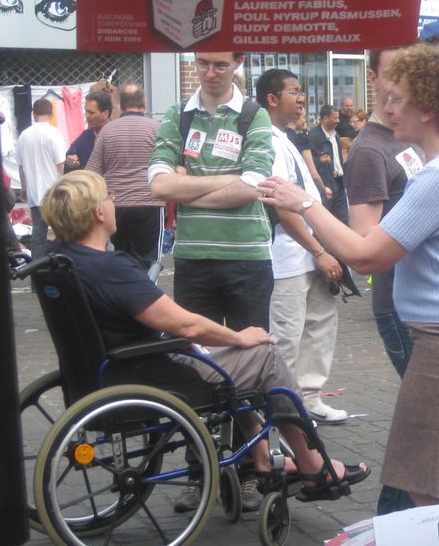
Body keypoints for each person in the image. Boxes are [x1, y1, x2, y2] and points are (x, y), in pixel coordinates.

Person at [259, 43, 439, 511]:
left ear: (427, 107)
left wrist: (302, 202)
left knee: (422, 475)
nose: (386, 108)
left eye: (397, 98)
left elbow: (365, 255)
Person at [39, 170, 368, 501]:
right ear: (99, 213)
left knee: (223, 359)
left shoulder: (61, 263)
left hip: (105, 372)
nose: (114, 202)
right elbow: (186, 325)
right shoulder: (112, 268)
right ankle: (314, 466)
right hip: (151, 376)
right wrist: (238, 337)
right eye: (109, 197)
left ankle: (263, 456)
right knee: (263, 355)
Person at [148, 51, 275, 512]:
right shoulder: (177, 115)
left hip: (247, 260)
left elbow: (253, 186)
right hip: (194, 259)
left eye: (220, 64)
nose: (210, 73)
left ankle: (250, 471)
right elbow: (158, 186)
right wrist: (226, 181)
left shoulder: (253, 116)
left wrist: (191, 185)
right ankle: (199, 469)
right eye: (203, 63)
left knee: (251, 361)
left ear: (238, 63)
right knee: (193, 364)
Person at [345, 44, 424, 515]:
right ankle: (392, 519)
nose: (401, 83)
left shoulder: (414, 135)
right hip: (398, 303)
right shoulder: (370, 149)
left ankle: (399, 520)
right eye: (393, 73)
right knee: (426, 415)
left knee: (428, 416)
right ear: (373, 77)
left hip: (431, 298)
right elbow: (365, 242)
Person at [256, 69, 347, 425]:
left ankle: (309, 397)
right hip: (288, 259)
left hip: (309, 254)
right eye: (294, 91)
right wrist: (319, 251)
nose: (302, 99)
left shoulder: (287, 137)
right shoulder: (267, 140)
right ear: (272, 99)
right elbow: (281, 206)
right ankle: (284, 408)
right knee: (287, 336)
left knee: (320, 325)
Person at [86, 84, 163, 270]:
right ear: (144, 103)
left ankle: (125, 296)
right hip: (148, 203)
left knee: (121, 258)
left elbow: (92, 172)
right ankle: (146, 296)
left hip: (116, 206)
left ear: (120, 105)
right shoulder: (157, 129)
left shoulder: (107, 131)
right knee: (148, 262)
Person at [16, 97, 66, 259]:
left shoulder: (24, 135)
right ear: (51, 114)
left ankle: (37, 276)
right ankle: (61, 269)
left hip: (34, 193)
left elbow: (21, 167)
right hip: (54, 192)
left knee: (38, 234)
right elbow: (60, 164)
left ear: (33, 114)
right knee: (62, 232)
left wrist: (24, 187)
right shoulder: (54, 133)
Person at [309, 105, 349, 224]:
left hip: (339, 182)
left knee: (343, 219)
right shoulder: (314, 137)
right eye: (335, 118)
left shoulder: (335, 135)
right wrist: (319, 161)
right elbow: (308, 162)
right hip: (325, 183)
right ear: (326, 118)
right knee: (325, 220)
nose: (338, 121)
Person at [65, 91, 113, 170]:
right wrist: (72, 162)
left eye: (91, 112)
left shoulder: (118, 135)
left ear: (105, 113)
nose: (87, 116)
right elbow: (71, 155)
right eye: (86, 111)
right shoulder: (86, 136)